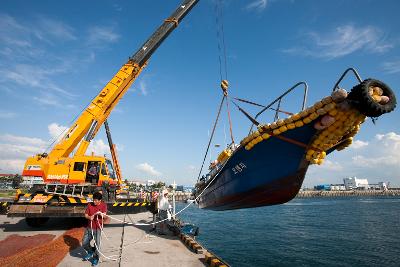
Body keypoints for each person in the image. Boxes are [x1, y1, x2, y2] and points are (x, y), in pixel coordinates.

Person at [82, 191, 108, 266]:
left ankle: (96, 258)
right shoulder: (90, 205)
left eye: (96, 200)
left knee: (97, 245)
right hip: (89, 227)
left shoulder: (103, 205)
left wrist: (102, 214)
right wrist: (90, 217)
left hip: (98, 228)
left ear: (100, 200)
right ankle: (90, 251)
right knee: (84, 243)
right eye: (93, 200)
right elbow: (86, 215)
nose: (94, 201)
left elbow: (105, 217)